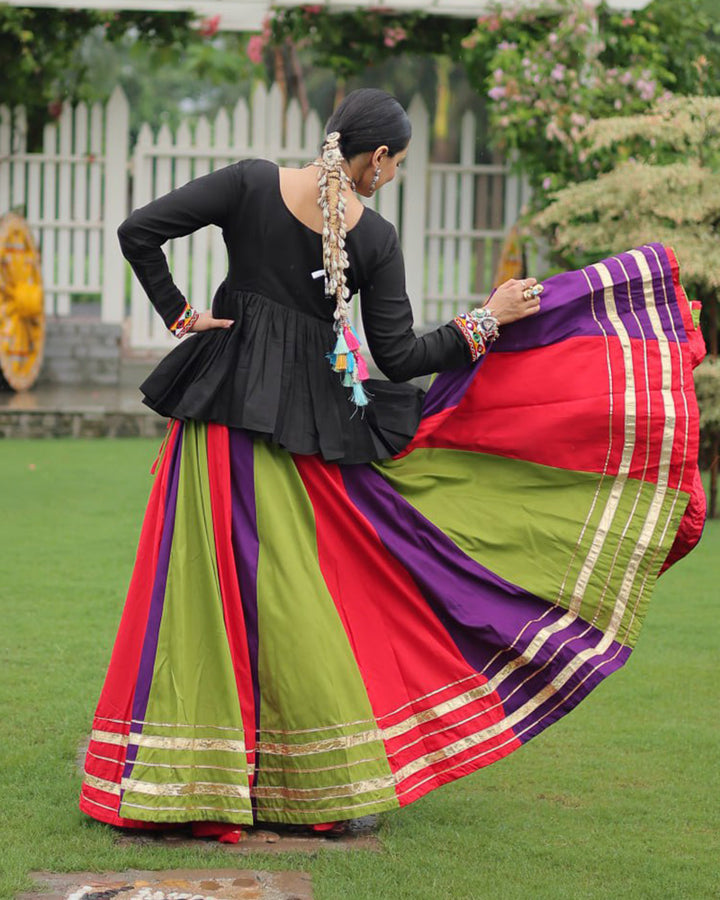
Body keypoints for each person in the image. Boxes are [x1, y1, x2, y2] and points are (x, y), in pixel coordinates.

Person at [79, 89, 704, 840]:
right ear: (375, 159)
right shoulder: (374, 238)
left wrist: (180, 314)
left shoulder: (250, 183)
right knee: (295, 602)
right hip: (298, 434)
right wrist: (487, 319)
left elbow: (137, 230)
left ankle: (190, 781)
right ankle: (316, 790)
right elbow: (403, 357)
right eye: (398, 163)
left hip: (219, 422)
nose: (396, 174)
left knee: (210, 601)